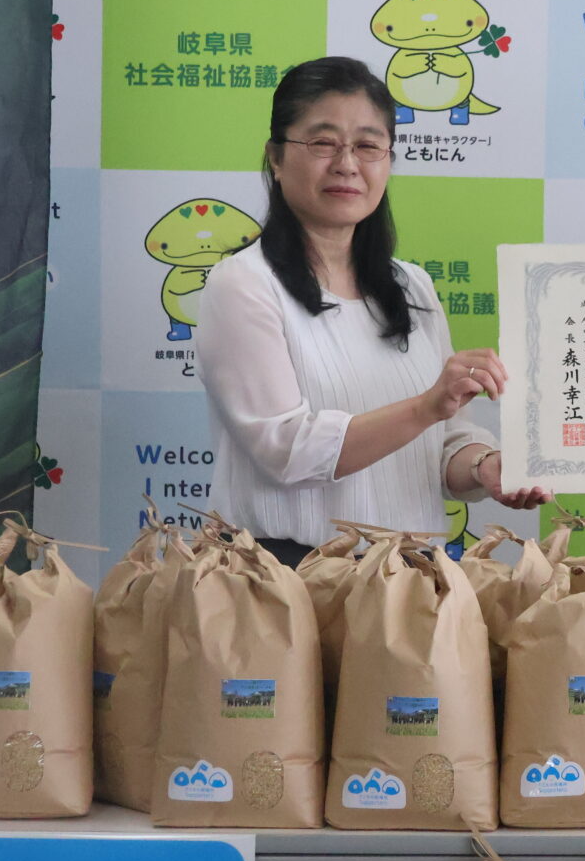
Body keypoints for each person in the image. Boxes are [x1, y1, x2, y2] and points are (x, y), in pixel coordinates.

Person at [196, 56, 549, 566]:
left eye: (367, 146)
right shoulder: (244, 284)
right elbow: (286, 451)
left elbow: (445, 442)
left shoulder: (411, 285)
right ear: (276, 157)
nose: (347, 164)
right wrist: (426, 406)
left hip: (409, 580)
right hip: (288, 578)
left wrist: (484, 467)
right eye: (323, 143)